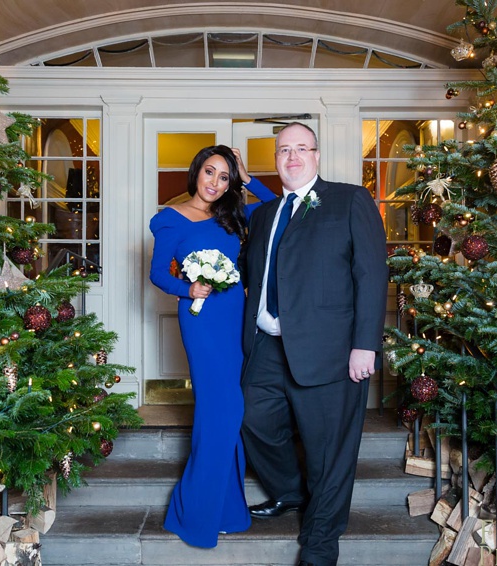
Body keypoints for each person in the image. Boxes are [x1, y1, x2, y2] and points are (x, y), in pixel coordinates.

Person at [240, 123, 388, 566]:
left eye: (301, 148)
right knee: (251, 418)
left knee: (329, 453)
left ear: (317, 155)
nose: (292, 157)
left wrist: (365, 345)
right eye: (284, 150)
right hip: (267, 346)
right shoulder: (264, 214)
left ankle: (320, 546)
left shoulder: (349, 200)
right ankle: (290, 491)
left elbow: (372, 275)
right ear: (275, 158)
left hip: (331, 350)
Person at [148, 145, 276, 548]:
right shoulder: (169, 219)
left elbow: (279, 205)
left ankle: (227, 511)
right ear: (196, 172)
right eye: (210, 172)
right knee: (224, 409)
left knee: (225, 414)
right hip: (201, 319)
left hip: (236, 320)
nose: (216, 183)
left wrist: (248, 176)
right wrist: (188, 287)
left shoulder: (235, 215)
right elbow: (157, 274)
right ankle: (194, 512)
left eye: (225, 177)